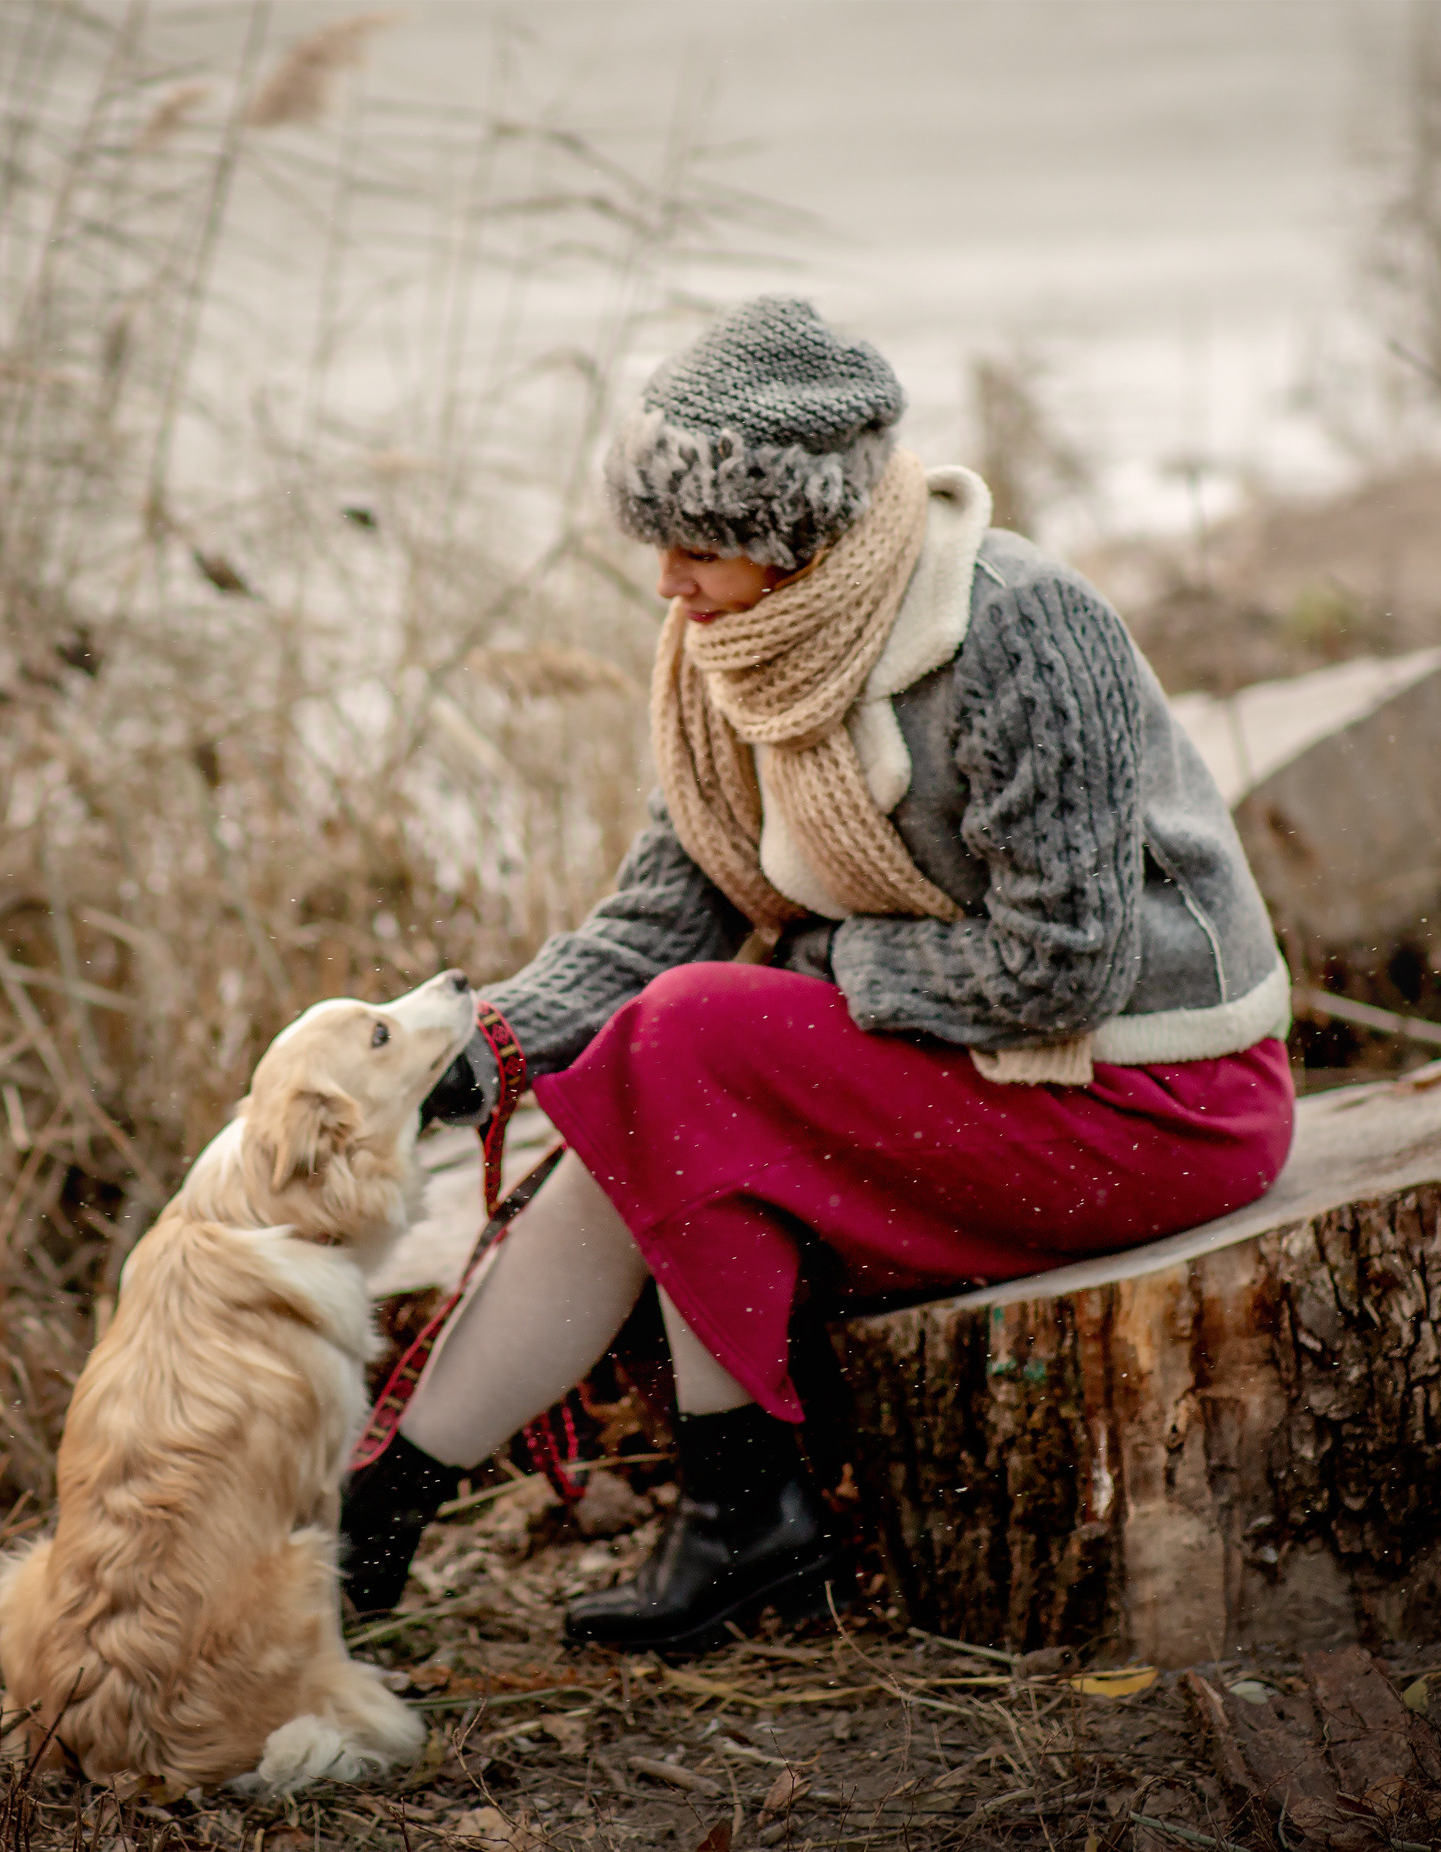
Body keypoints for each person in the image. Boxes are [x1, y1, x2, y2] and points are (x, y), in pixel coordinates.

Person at [340, 296, 1294, 1651]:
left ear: (791, 535)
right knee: (657, 1073)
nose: (665, 579)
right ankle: (384, 1514)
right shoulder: (736, 652)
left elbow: (1064, 969)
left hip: (1156, 1097)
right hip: (976, 1073)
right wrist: (483, 1048)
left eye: (696, 543)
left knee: (691, 1047)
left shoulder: (1015, 626)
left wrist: (819, 957)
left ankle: (740, 1515)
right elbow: (664, 919)